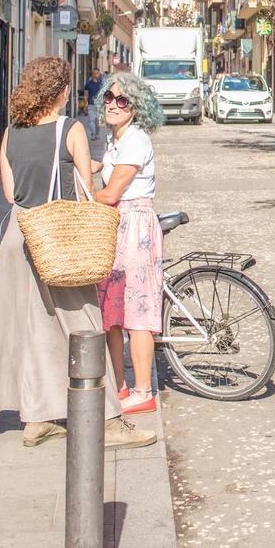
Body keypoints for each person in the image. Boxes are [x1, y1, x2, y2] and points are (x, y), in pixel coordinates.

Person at [0, 56, 155, 450]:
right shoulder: (69, 128)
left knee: (33, 329)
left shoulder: (11, 131)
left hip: (20, 236)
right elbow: (86, 191)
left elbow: (11, 193)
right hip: (59, 238)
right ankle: (107, 422)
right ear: (63, 91)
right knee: (84, 324)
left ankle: (36, 419)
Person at [94, 72, 166, 414]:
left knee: (137, 311)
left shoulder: (135, 139)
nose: (113, 105)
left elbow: (110, 193)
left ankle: (143, 391)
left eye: (122, 100)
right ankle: (119, 386)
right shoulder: (115, 139)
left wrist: (80, 197)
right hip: (117, 227)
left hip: (135, 226)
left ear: (135, 108)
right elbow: (99, 174)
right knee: (112, 311)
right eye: (109, 98)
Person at [82, 69, 105, 140]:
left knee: (97, 121)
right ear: (92, 75)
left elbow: (104, 95)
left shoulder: (101, 84)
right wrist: (85, 105)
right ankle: (93, 134)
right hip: (91, 105)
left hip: (99, 105)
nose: (95, 75)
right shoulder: (88, 84)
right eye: (94, 73)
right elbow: (86, 95)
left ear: (99, 74)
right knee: (91, 120)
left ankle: (97, 134)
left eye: (97, 73)